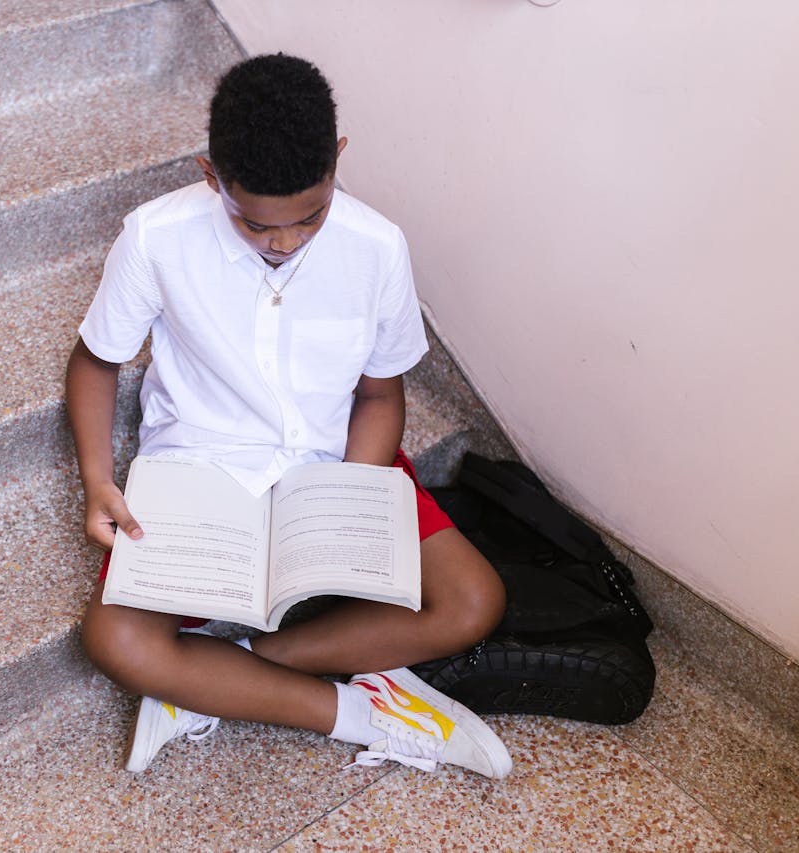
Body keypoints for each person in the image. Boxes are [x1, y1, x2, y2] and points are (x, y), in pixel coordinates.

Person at [64, 53, 510, 777]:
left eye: (311, 216)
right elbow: (94, 362)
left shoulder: (376, 247)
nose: (285, 241)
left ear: (337, 160)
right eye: (255, 224)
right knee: (117, 640)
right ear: (212, 176)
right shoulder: (156, 236)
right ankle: (363, 712)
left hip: (334, 461)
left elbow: (378, 394)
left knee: (472, 600)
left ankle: (224, 676)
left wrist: (348, 498)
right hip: (198, 474)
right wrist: (95, 480)